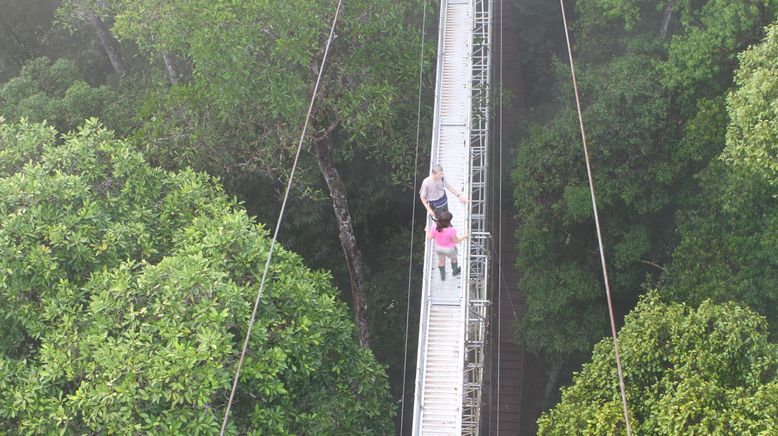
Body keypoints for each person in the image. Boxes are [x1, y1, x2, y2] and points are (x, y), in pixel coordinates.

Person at [426, 211, 469, 281]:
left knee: (441, 260)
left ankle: (442, 276)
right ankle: (455, 271)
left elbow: (429, 237)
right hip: (449, 249)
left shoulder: (435, 227)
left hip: (438, 248)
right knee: (454, 259)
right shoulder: (451, 230)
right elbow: (456, 241)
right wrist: (465, 236)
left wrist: (426, 230)